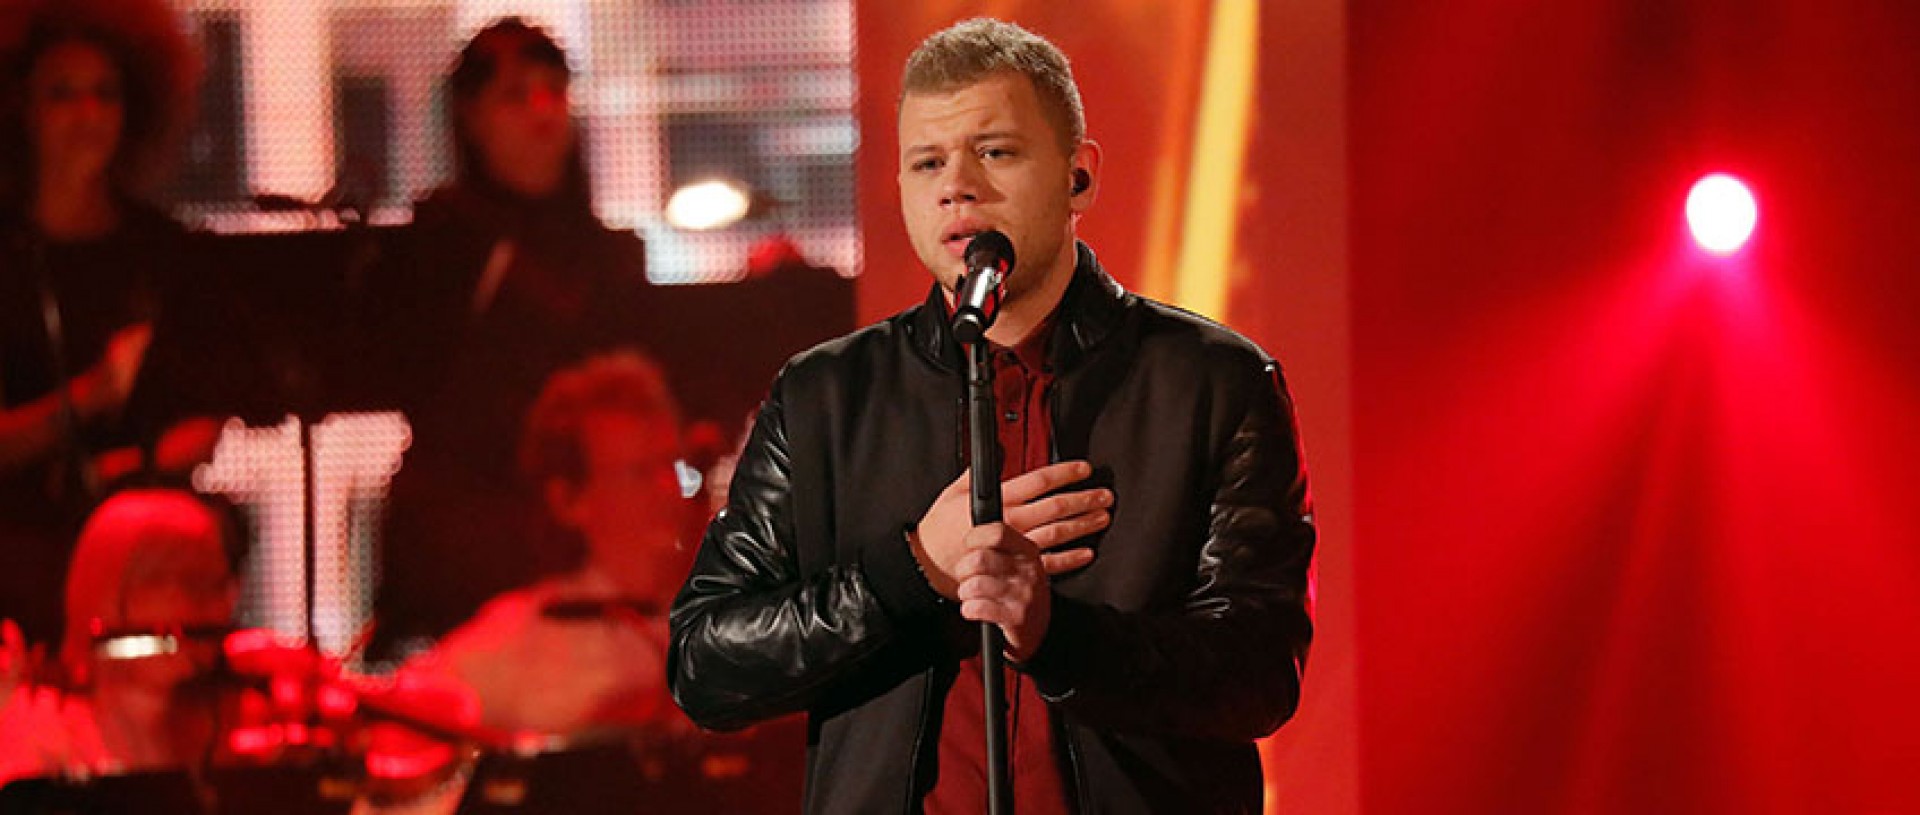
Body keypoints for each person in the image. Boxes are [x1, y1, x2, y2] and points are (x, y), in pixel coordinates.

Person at [668, 17, 1315, 815]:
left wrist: (1058, 638)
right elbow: (704, 662)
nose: (957, 185)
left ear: (1079, 176)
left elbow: (1259, 671)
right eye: (928, 161)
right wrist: (910, 574)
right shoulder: (823, 398)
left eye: (996, 152)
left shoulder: (1214, 383)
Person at [365, 18, 659, 660]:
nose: (542, 113)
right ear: (470, 117)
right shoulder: (436, 245)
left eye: (554, 91)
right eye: (515, 96)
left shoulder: (609, 257)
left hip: (583, 535)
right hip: (464, 538)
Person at [0, 0, 212, 648]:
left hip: (147, 557)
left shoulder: (165, 250)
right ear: (20, 110)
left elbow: (210, 412)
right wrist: (91, 396)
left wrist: (121, 475)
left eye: (106, 94)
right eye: (62, 95)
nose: (88, 115)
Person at [0, 487, 239, 784]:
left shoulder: (225, 734)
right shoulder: (38, 732)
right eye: (190, 582)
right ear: (107, 592)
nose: (218, 607)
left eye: (218, 584)